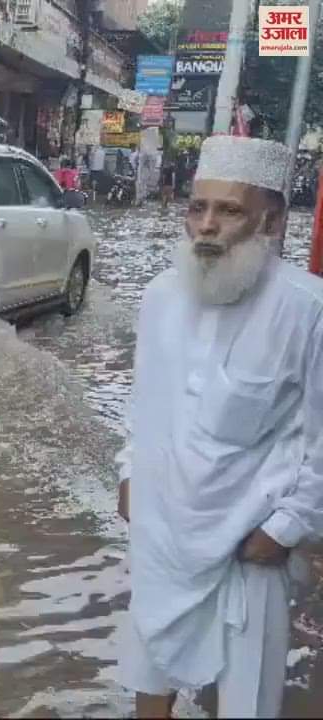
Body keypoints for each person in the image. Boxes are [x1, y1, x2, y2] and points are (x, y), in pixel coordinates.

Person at [115, 135, 323, 718]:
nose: (206, 226)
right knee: (148, 667)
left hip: (248, 541)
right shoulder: (160, 296)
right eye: (196, 208)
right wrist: (130, 470)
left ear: (271, 220)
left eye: (229, 210)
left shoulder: (308, 309)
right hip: (164, 527)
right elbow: (145, 404)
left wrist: (286, 527)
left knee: (246, 699)